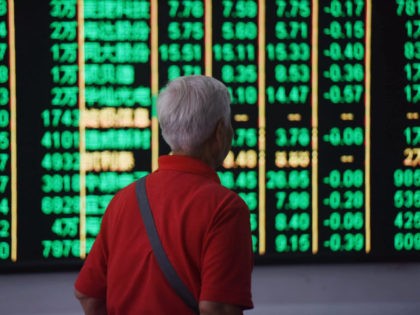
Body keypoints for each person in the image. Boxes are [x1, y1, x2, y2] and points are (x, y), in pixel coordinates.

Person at [74, 75, 254, 314]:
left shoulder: (123, 200)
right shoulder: (224, 208)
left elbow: (89, 295)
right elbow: (218, 308)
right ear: (220, 131)